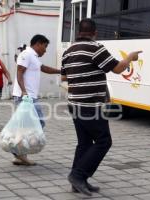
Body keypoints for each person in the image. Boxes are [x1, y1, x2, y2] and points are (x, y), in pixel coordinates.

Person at [61, 18, 142, 196]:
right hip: (89, 105)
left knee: (84, 143)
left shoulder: (68, 51)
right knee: (104, 141)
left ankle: (78, 181)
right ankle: (78, 175)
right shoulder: (96, 48)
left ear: (78, 32)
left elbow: (64, 77)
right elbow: (118, 69)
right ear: (94, 33)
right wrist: (130, 57)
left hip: (74, 103)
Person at [12, 34, 60, 165]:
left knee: (29, 125)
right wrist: (23, 91)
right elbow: (19, 71)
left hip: (30, 97)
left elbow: (43, 68)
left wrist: (61, 71)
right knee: (35, 124)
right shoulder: (26, 54)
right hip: (26, 97)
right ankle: (19, 151)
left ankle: (19, 154)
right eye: (45, 46)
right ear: (38, 44)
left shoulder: (33, 56)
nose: (45, 50)